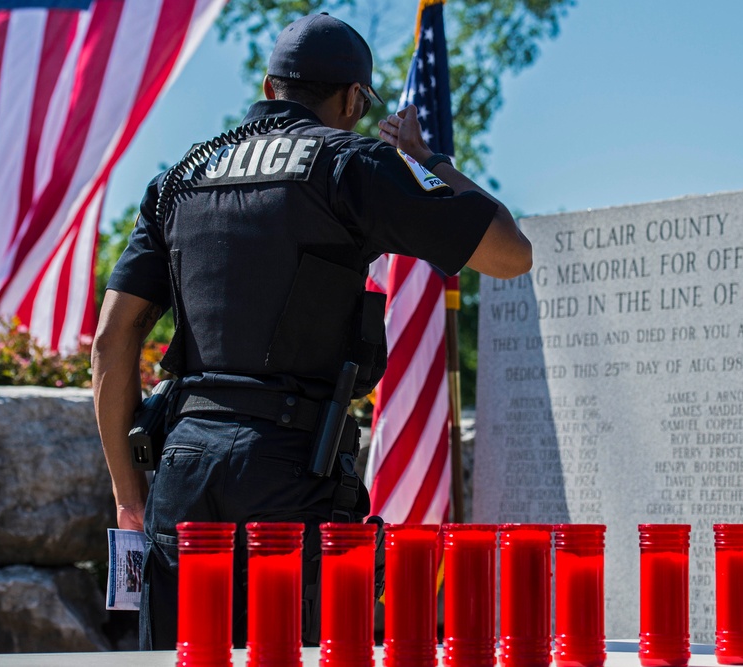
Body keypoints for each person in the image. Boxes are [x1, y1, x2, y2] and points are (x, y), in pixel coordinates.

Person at [92, 12, 531, 650]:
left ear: (269, 88)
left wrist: (128, 490)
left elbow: (111, 340)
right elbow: (509, 254)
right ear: (353, 98)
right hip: (290, 468)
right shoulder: (352, 163)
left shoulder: (178, 179)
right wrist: (426, 159)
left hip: (182, 469)